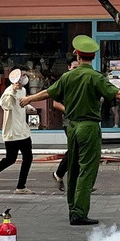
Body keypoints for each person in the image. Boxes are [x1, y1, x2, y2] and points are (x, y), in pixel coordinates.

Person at [19, 35, 120, 226]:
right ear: (93, 57)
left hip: (72, 125)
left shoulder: (68, 76)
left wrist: (29, 99)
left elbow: (48, 93)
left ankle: (72, 208)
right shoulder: (96, 77)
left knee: (74, 168)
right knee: (87, 169)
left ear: (77, 55)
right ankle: (79, 212)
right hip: (89, 127)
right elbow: (118, 94)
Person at [0, 72, 35, 194]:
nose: (23, 78)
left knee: (28, 158)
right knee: (10, 159)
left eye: (24, 76)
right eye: (21, 76)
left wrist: (29, 107)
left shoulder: (23, 90)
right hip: (12, 131)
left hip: (23, 130)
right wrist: (13, 91)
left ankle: (21, 186)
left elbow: (21, 102)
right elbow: (6, 105)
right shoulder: (8, 91)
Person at [51, 59, 79, 191]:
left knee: (78, 150)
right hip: (69, 121)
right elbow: (55, 103)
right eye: (74, 68)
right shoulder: (64, 82)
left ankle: (62, 175)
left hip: (81, 121)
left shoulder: (81, 80)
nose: (76, 70)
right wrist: (68, 110)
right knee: (75, 149)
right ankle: (61, 174)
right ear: (68, 68)